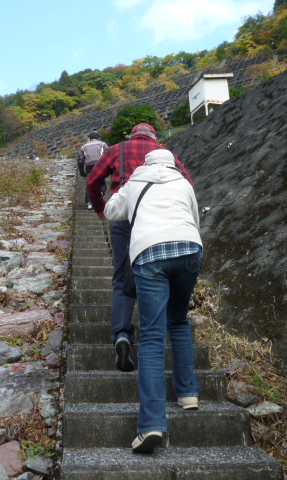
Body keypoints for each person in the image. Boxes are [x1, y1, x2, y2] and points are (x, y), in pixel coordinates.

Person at [103, 148, 203, 454]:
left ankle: (151, 424)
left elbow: (110, 211)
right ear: (172, 164)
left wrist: (124, 195)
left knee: (151, 336)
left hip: (150, 253)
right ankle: (188, 395)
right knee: (179, 320)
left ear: (146, 164)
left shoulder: (135, 182)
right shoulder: (183, 182)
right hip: (189, 249)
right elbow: (195, 218)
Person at [87, 123, 193, 372]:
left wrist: (102, 208)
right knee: (154, 275)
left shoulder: (117, 149)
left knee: (123, 278)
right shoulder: (165, 154)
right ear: (154, 136)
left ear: (132, 135)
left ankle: (122, 334)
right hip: (157, 221)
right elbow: (188, 184)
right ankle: (156, 337)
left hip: (123, 217)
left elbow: (93, 181)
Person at [77, 131, 108, 209]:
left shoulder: (83, 146)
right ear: (99, 138)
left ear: (89, 139)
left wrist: (82, 173)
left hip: (89, 166)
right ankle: (100, 193)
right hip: (100, 164)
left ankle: (89, 203)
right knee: (102, 182)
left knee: (90, 184)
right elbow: (109, 155)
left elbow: (80, 161)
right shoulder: (103, 144)